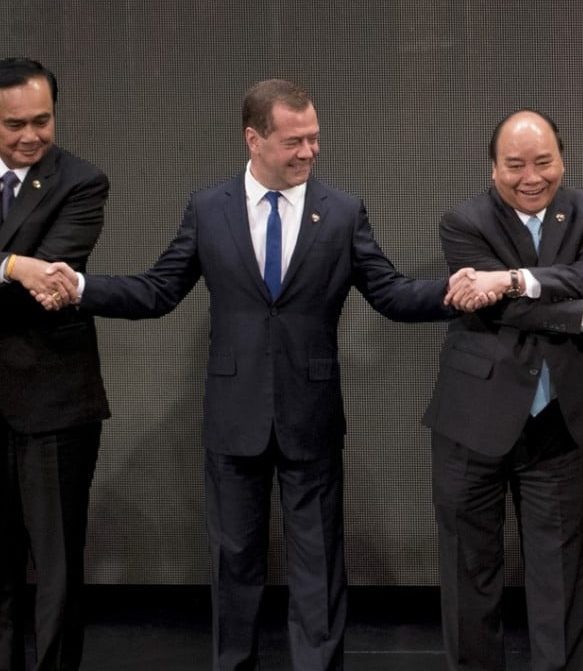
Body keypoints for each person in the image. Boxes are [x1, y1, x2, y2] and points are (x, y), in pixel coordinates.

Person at [38, 78, 488, 671]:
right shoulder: (208, 208)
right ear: (254, 140)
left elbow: (391, 292)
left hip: (311, 412)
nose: (309, 151)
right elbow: (159, 289)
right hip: (234, 413)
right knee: (233, 561)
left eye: (314, 138)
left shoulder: (344, 211)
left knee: (318, 563)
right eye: (293, 140)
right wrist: (83, 288)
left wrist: (453, 294)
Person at [426, 109, 583, 671]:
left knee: (559, 576)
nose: (531, 177)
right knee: (470, 572)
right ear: (492, 168)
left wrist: (512, 278)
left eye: (543, 162)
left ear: (561, 159)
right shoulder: (463, 221)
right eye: (515, 165)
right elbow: (508, 312)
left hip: (558, 424)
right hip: (473, 423)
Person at [0, 57, 110, 671]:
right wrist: (13, 265)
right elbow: (24, 277)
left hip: (52, 400)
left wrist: (23, 276)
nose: (30, 136)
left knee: (57, 563)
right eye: (14, 124)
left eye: (42, 120)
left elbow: (49, 287)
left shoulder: (81, 182)